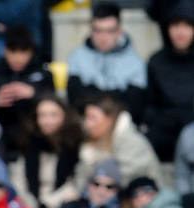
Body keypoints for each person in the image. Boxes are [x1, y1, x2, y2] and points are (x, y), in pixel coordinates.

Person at [9, 94, 81, 208]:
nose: (48, 121)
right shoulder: (28, 143)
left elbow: (75, 183)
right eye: (42, 115)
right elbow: (18, 180)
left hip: (58, 207)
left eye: (54, 115)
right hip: (28, 206)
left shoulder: (75, 146)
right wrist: (30, 205)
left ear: (64, 116)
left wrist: (48, 204)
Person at [66, 3, 147, 125]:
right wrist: (117, 96)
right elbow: (74, 100)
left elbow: (135, 109)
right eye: (98, 30)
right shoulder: (77, 57)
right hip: (86, 123)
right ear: (90, 30)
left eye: (109, 31)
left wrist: (91, 93)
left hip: (120, 125)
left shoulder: (136, 63)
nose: (103, 37)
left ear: (119, 31)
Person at [0, 25, 50, 154]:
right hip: (2, 136)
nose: (18, 58)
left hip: (36, 134)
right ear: (5, 51)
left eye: (23, 52)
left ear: (31, 52)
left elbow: (55, 102)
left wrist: (34, 94)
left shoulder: (42, 72)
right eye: (13, 51)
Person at [74, 96, 165, 192]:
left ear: (110, 119)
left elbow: (122, 182)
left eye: (92, 118)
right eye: (86, 117)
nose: (87, 124)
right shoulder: (90, 146)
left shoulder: (131, 141)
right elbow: (79, 183)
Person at [143, 2, 194, 162]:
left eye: (187, 25)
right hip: (164, 132)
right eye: (175, 25)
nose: (180, 32)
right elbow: (150, 103)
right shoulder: (156, 61)